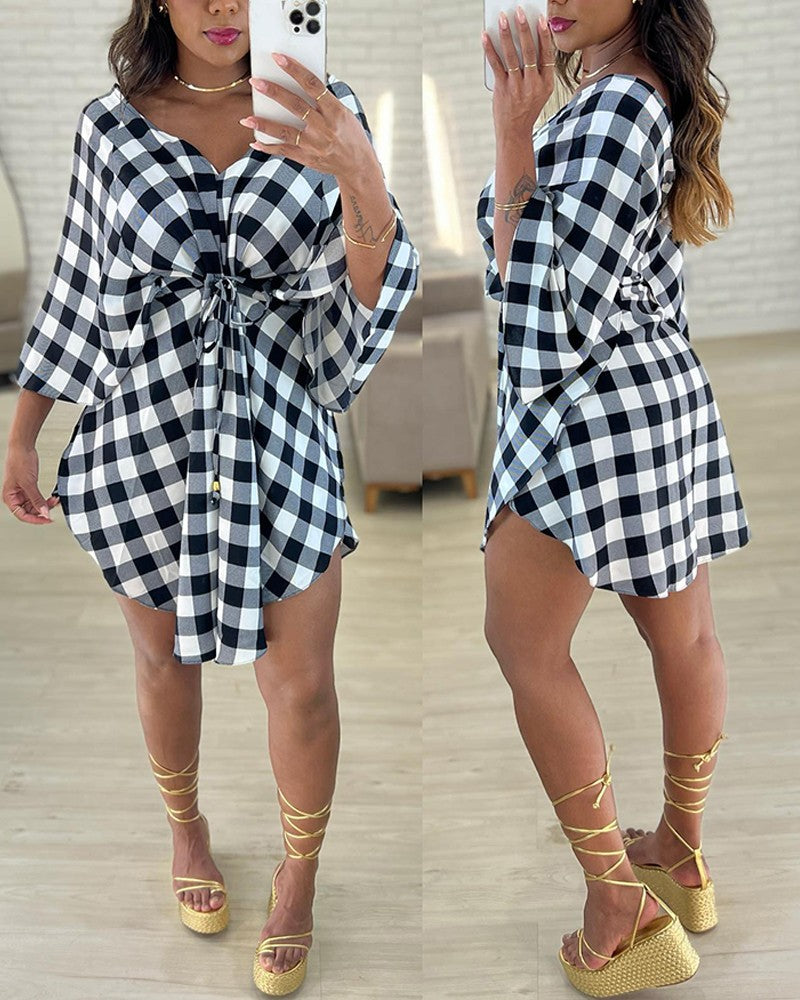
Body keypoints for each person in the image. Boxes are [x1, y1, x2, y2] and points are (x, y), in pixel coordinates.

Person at [2, 0, 418, 995]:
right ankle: (186, 832)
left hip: (280, 435)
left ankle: (298, 879)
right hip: (144, 435)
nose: (224, 7)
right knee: (159, 659)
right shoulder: (110, 126)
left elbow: (368, 291)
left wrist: (358, 172)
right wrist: (22, 431)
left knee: (303, 686)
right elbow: (78, 284)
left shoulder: (327, 109)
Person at [477, 1, 750, 994]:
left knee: (524, 644)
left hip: (588, 413)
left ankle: (617, 905)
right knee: (683, 634)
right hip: (655, 398)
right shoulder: (641, 93)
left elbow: (549, 309)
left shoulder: (610, 108)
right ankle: (679, 851)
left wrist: (513, 136)